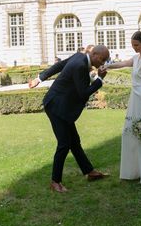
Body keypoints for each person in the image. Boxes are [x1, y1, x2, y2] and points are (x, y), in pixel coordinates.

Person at [28, 45, 111, 193]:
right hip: (56, 106)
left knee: (74, 142)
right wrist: (99, 80)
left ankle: (89, 172)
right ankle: (55, 182)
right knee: (64, 144)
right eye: (103, 59)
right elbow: (83, 93)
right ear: (95, 55)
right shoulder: (80, 65)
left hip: (61, 105)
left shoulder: (79, 56)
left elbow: (59, 65)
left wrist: (39, 78)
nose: (103, 63)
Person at [105, 31, 141, 185]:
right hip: (135, 100)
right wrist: (107, 66)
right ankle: (134, 172)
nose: (134, 48)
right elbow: (123, 63)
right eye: (132, 45)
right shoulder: (137, 58)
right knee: (131, 134)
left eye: (136, 45)